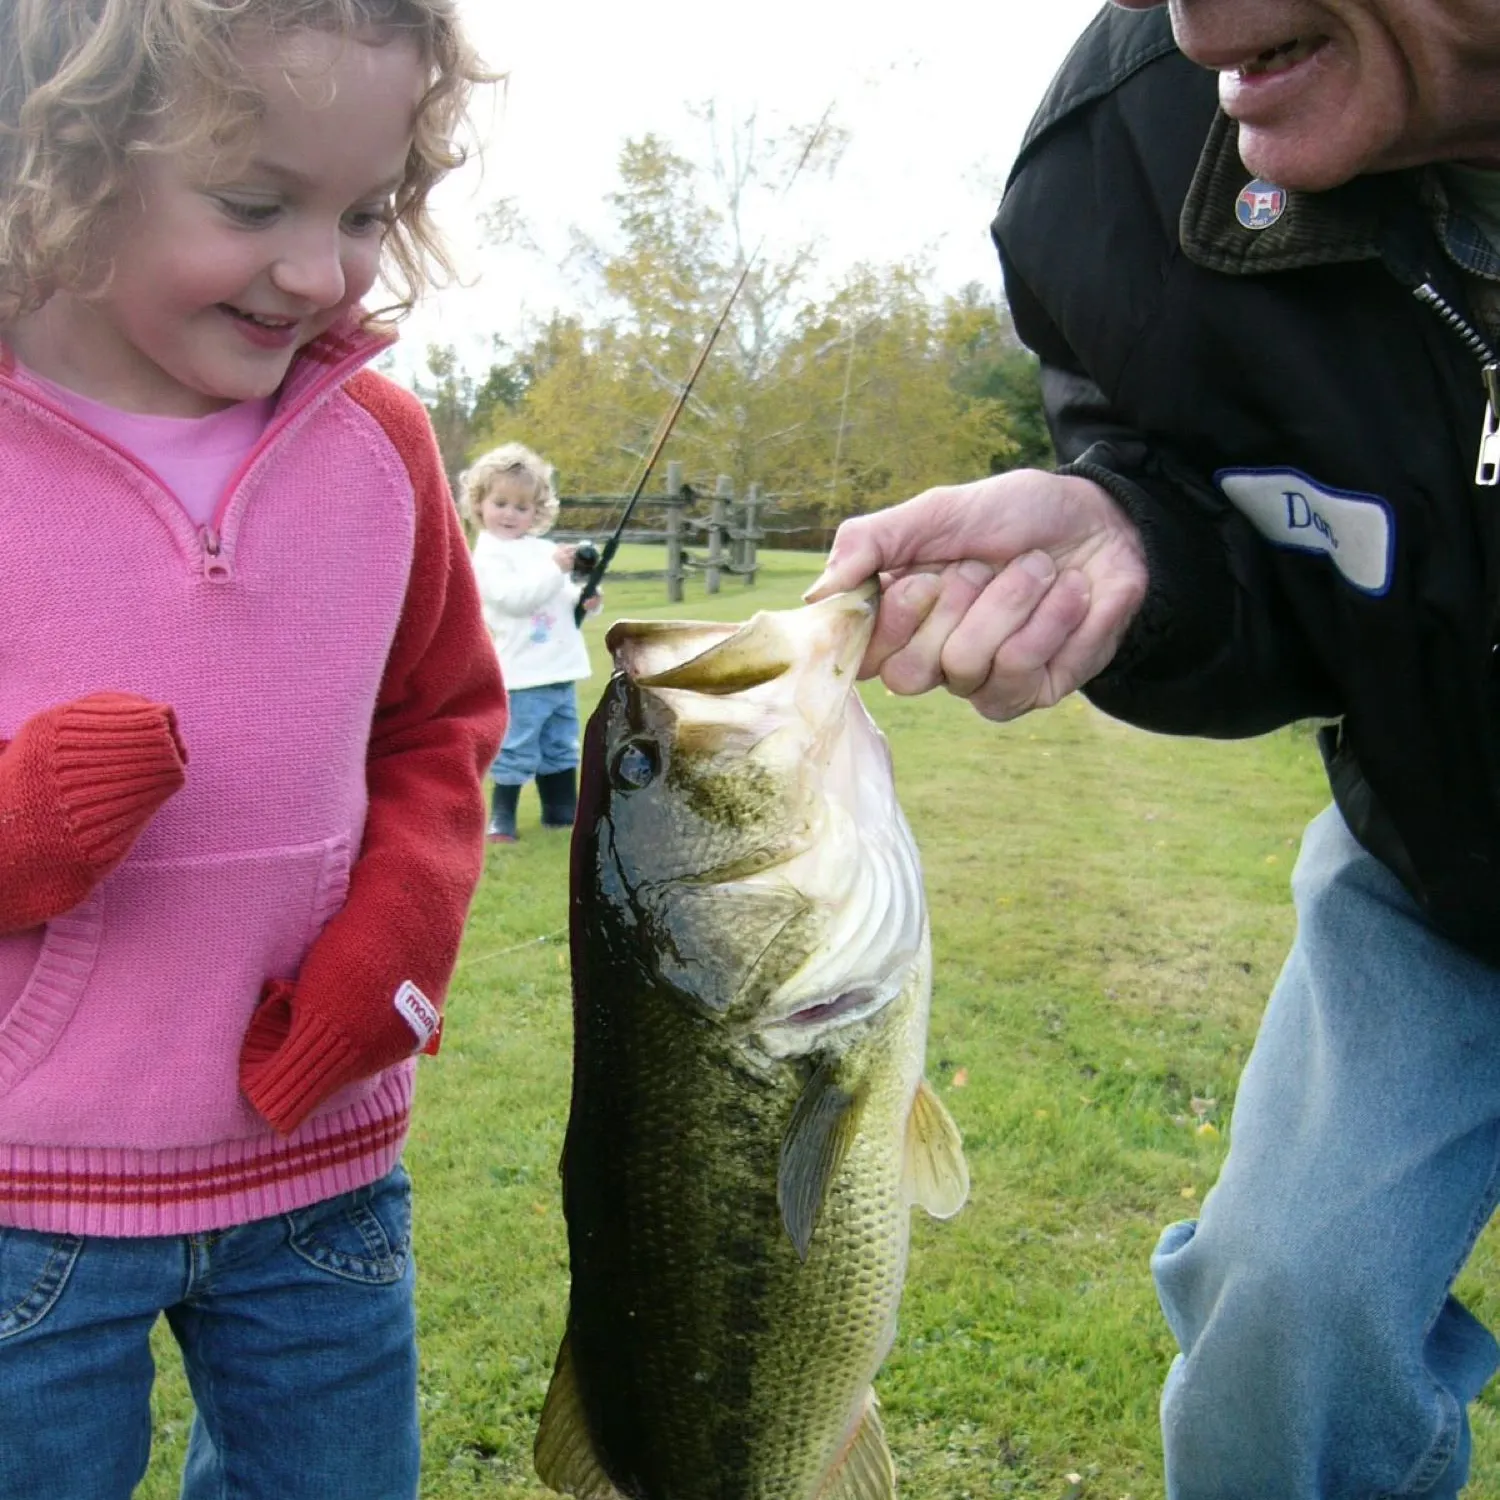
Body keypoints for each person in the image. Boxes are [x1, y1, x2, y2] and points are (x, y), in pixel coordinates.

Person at [807, 1, 1500, 1496]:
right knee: (1282, 1323)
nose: (1199, 24)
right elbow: (1231, 526)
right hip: (1443, 855)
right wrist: (1138, 533)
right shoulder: (1120, 153)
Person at [0, 3, 507, 1496]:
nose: (317, 269)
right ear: (63, 155)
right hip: (23, 1194)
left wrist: (402, 932)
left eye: (364, 210)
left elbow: (441, 722)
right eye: (252, 203)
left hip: (322, 1188)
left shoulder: (382, 447)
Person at [461, 441, 599, 844]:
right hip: (523, 672)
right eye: (500, 502)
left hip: (562, 667)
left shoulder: (543, 550)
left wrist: (587, 600)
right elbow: (517, 600)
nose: (509, 514)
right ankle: (502, 817)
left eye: (521, 508)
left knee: (561, 743)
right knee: (519, 746)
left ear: (536, 512)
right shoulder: (486, 559)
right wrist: (555, 569)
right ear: (480, 503)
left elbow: (563, 598)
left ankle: (561, 812)